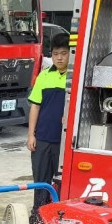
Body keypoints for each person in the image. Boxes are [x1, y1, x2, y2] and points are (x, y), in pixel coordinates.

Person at [27, 33, 70, 212]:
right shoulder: (44, 76)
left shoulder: (74, 76)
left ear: (71, 54)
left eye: (64, 53)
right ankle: (38, 215)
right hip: (43, 138)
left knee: (62, 181)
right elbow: (35, 107)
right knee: (40, 181)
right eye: (55, 54)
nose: (59, 58)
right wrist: (31, 135)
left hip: (64, 141)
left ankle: (57, 215)